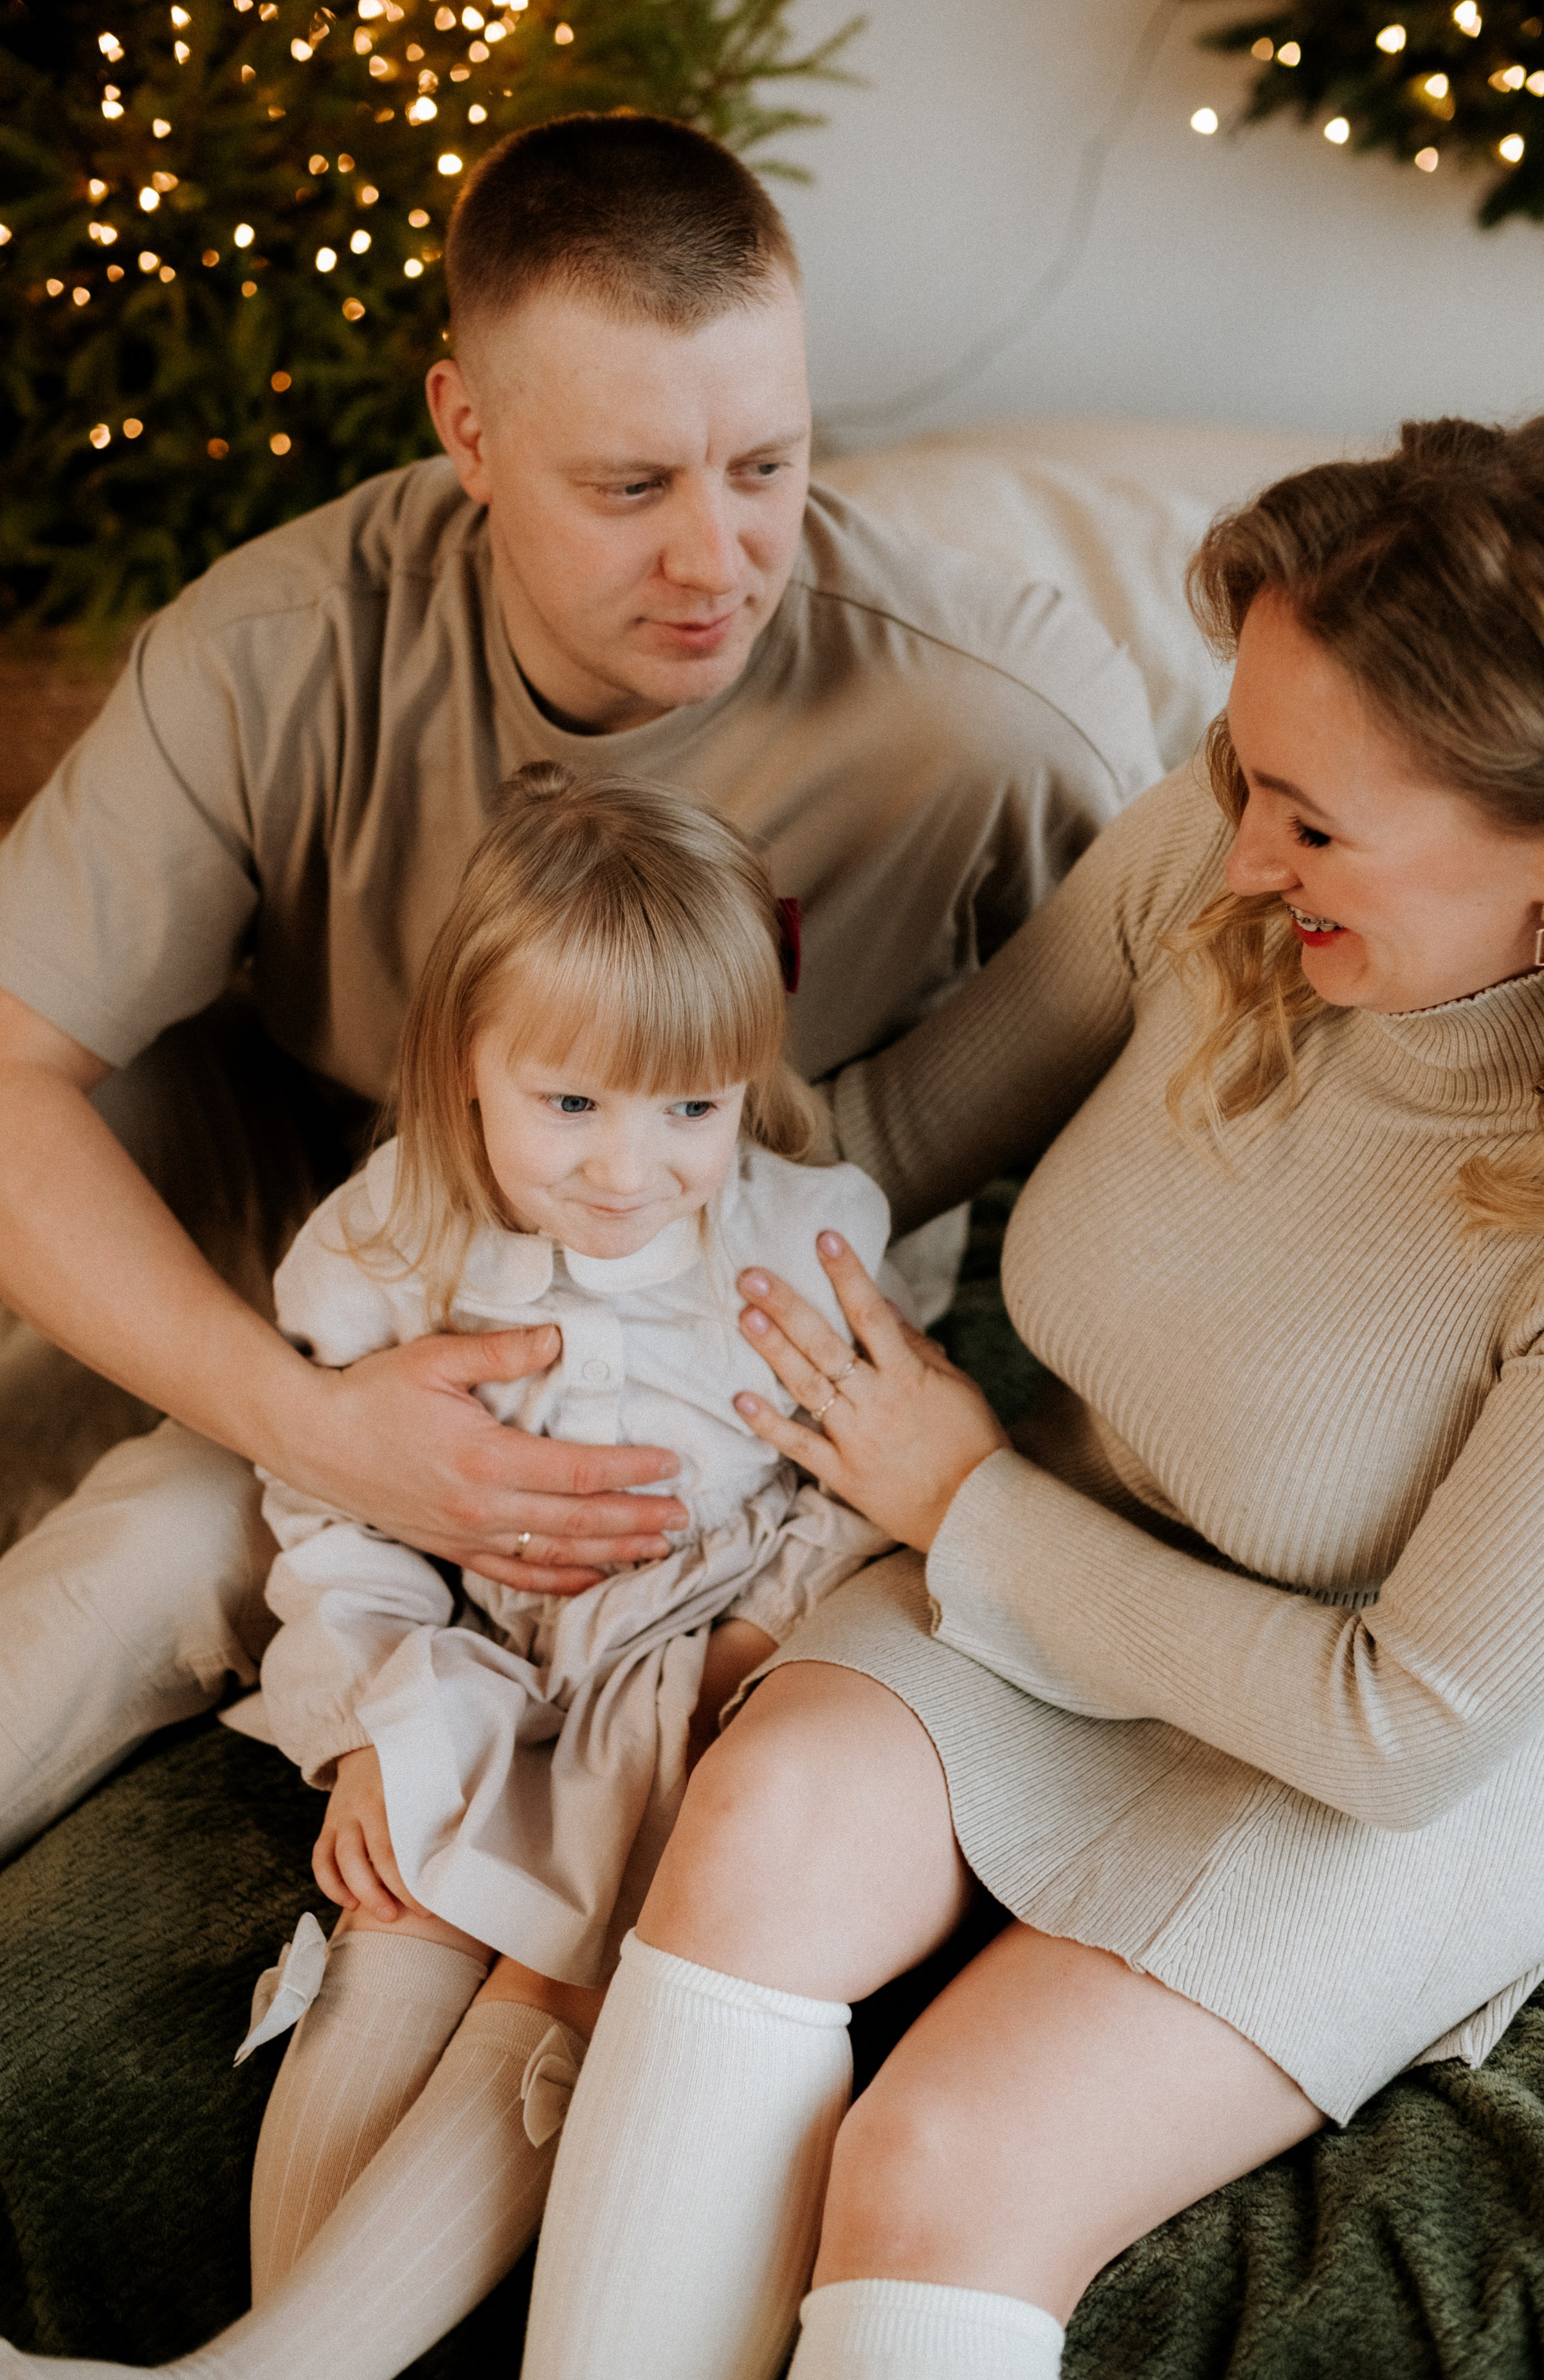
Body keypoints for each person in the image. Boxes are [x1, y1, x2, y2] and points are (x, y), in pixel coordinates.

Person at [455, 410, 1544, 2380]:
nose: (1246, 850)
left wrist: (968, 1507)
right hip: (1076, 1548)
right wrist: (558, 1258)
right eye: (1238, 768)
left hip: (1406, 1725)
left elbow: (1406, 1727)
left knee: (940, 2159)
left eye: (1315, 818)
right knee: (749, 1827)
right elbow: (897, 1132)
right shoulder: (1220, 847)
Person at [0, 112, 1157, 1859]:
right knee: (139, 1546)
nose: (719, 560)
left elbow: (1183, 1082)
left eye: (766, 465)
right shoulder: (272, 650)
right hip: (333, 1246)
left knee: (167, 1534)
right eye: (631, 487)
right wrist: (317, 1422)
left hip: (716, 1332)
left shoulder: (998, 722)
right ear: (466, 426)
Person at [0, 764, 898, 2380]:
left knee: (566, 1935)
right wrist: (364, 1720)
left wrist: (753, 1635)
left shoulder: (800, 1232)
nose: (631, 1168)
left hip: (684, 1651)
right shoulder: (389, 1239)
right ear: (463, 1065)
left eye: (688, 1109)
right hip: (469, 1637)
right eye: (571, 1105)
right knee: (400, 1892)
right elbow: (336, 1512)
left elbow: (857, 1477)